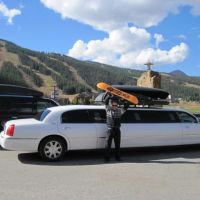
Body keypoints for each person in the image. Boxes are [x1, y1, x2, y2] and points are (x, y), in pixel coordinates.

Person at [103, 92, 129, 162]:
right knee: (107, 145)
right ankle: (107, 158)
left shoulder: (120, 111)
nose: (114, 106)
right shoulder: (108, 110)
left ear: (117, 105)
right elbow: (105, 102)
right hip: (110, 130)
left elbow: (126, 107)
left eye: (116, 105)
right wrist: (109, 96)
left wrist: (124, 100)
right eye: (113, 105)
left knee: (117, 145)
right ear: (111, 105)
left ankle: (117, 157)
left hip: (117, 130)